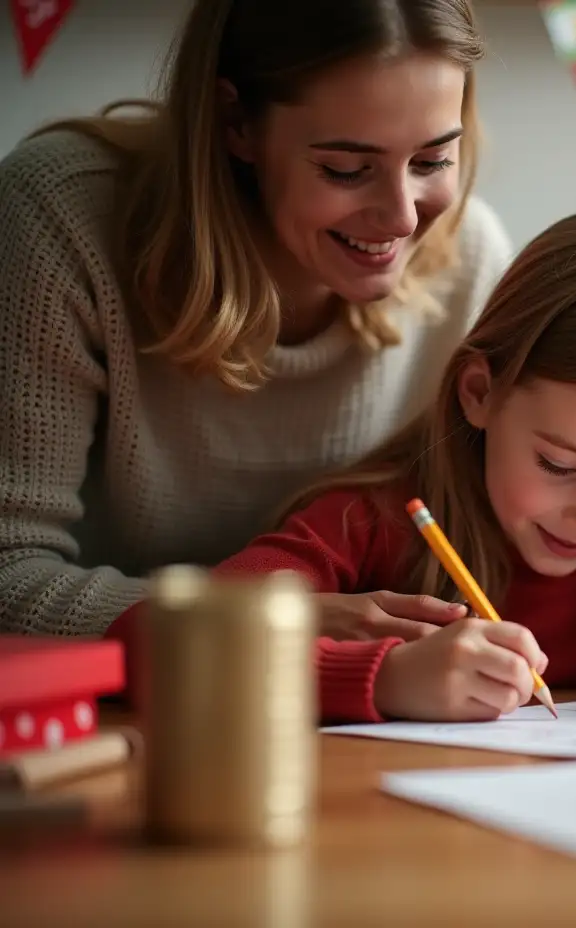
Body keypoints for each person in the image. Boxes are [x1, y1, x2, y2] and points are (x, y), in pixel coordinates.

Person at [106, 209, 576, 722]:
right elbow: (164, 643)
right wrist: (385, 679)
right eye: (559, 464)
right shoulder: (371, 525)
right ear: (480, 393)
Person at [0, 0, 513, 642]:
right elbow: (7, 576)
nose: (403, 218)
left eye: (433, 161)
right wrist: (259, 626)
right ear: (235, 121)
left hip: (367, 719)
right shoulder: (61, 219)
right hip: (112, 721)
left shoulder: (472, 260)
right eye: (347, 169)